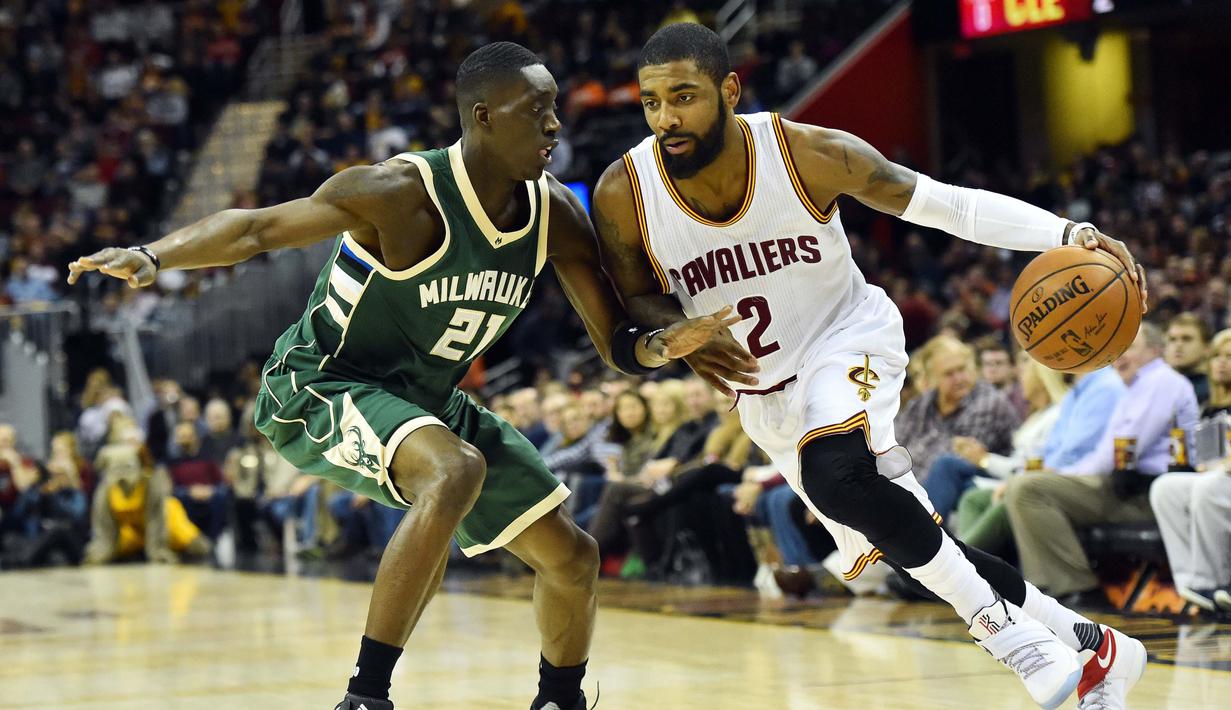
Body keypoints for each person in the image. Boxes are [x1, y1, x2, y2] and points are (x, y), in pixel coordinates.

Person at [68, 42, 743, 710]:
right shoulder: (398, 193)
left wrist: (662, 346)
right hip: (321, 385)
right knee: (453, 470)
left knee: (573, 559)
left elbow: (616, 343)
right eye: (536, 109)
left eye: (555, 109)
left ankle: (558, 702)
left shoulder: (553, 217)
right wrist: (152, 255)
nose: (554, 125)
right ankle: (365, 698)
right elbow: (254, 231)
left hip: (425, 400)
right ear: (483, 116)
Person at [592, 23, 1151, 710]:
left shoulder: (807, 154)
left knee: (838, 476)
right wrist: (673, 330)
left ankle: (1008, 638)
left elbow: (947, 205)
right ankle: (1096, 648)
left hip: (846, 337)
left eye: (683, 97)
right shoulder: (625, 190)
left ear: (729, 89)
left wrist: (1066, 234)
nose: (666, 118)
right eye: (651, 103)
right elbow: (633, 297)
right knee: (912, 545)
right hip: (763, 394)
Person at [1004, 324, 1198, 609]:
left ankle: (1077, 589)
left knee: (1030, 489)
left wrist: (1062, 475)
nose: (1119, 356)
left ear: (1155, 351)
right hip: (1126, 488)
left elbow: (1115, 455)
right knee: (1026, 487)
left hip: (1149, 494)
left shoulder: (1160, 381)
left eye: (1129, 347)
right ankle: (1049, 587)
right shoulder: (1133, 386)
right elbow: (1104, 453)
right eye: (1115, 349)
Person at [1148, 327, 1231, 611]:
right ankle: (1191, 583)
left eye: (1230, 357)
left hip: (1222, 482)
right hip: (1219, 480)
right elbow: (1206, 461)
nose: (1222, 362)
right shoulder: (1209, 406)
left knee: (1210, 486)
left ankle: (1217, 581)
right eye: (1218, 356)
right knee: (1166, 487)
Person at [1164, 312, 1211, 405]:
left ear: (1206, 348)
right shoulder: (1156, 385)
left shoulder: (1216, 390)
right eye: (1172, 339)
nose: (1178, 345)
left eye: (1187, 339)